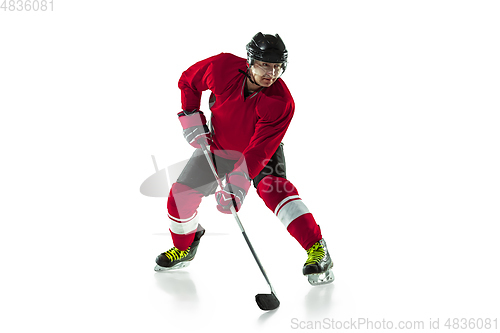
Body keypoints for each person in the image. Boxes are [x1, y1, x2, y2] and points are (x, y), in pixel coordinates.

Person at [155, 32, 334, 285]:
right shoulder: (221, 67)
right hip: (219, 146)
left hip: (262, 152)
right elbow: (188, 81)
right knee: (180, 195)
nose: (271, 74)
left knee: (275, 191)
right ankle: (186, 245)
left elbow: (258, 151)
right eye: (264, 65)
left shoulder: (281, 103)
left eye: (277, 68)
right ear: (250, 61)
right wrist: (191, 114)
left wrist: (236, 187)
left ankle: (318, 250)